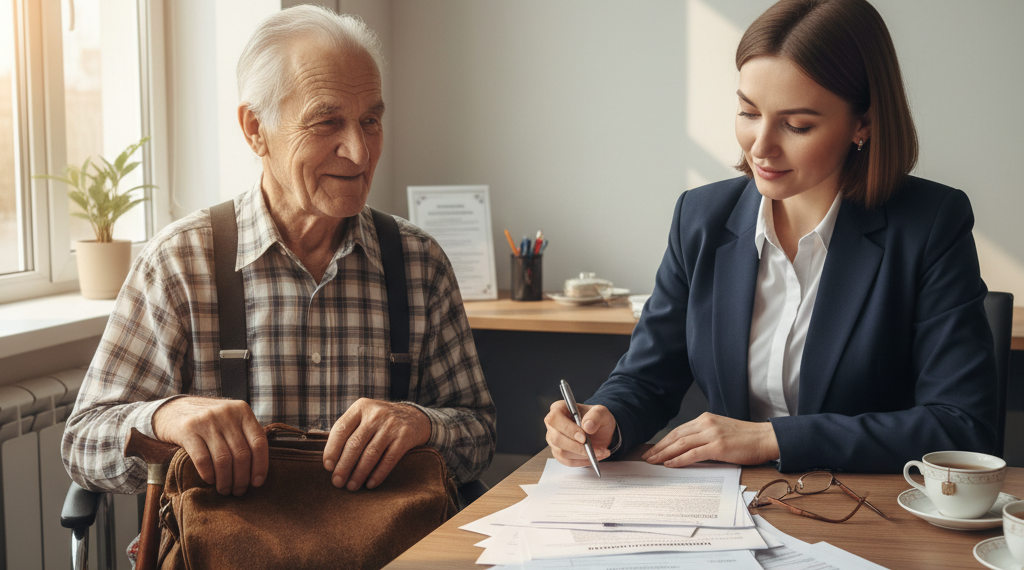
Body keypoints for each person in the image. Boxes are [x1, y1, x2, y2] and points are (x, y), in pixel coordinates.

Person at [545, 0, 997, 474]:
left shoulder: (930, 224)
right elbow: (646, 377)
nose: (760, 146)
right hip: (729, 510)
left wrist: (771, 439)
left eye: (797, 124)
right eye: (748, 112)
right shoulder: (699, 217)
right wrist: (604, 419)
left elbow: (962, 425)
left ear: (862, 123)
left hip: (862, 510)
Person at [62, 5, 496, 498]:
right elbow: (82, 443)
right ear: (255, 129)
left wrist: (421, 424)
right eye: (327, 121)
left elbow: (478, 435)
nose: (360, 151)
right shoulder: (179, 263)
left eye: (370, 120)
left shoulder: (419, 264)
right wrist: (165, 416)